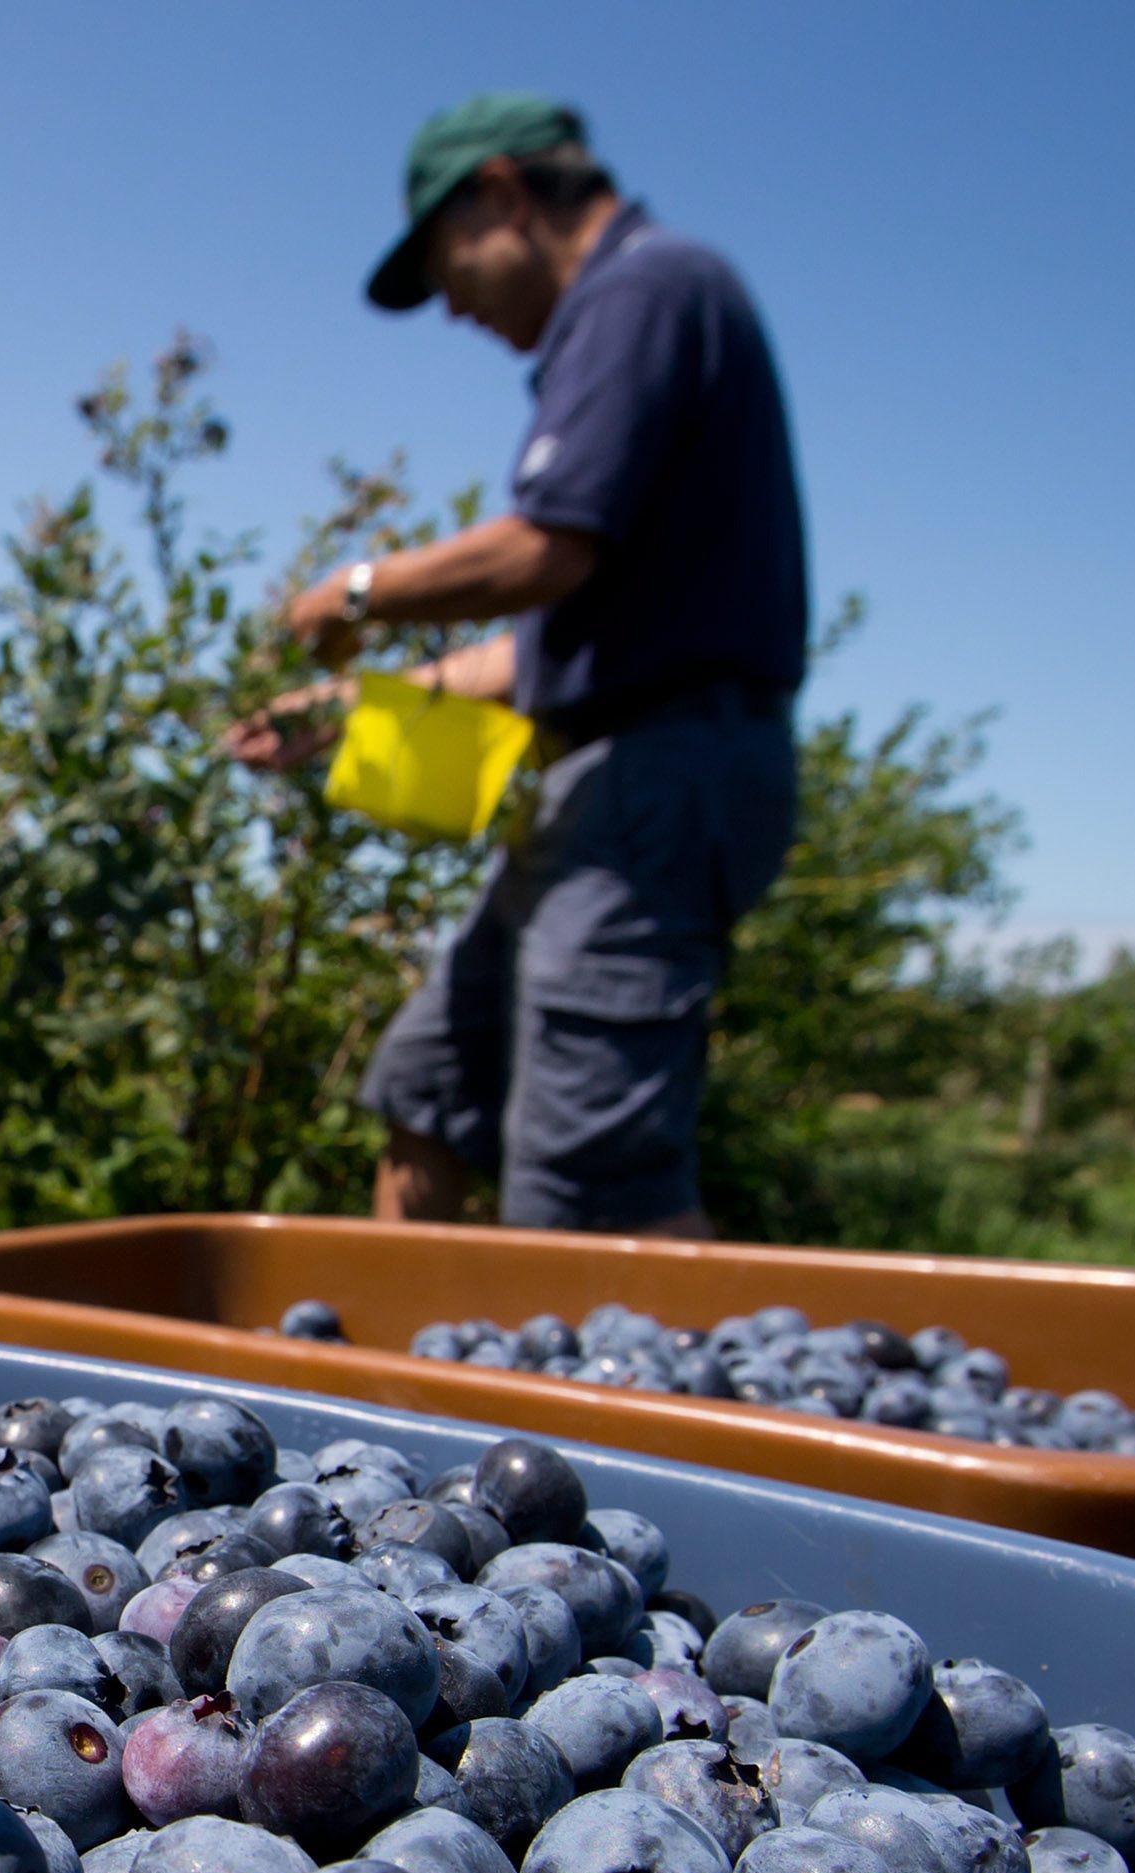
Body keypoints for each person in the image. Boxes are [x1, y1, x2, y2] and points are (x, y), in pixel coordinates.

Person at [227, 95, 807, 1237]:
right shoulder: (636, 311)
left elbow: (542, 550)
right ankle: (405, 1395)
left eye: (443, 263)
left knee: (590, 1177)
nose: (449, 305)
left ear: (500, 195)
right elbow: (547, 646)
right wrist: (347, 713)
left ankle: (628, 1402)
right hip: (611, 772)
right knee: (428, 1084)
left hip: (660, 778)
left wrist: (358, 594)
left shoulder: (645, 290)